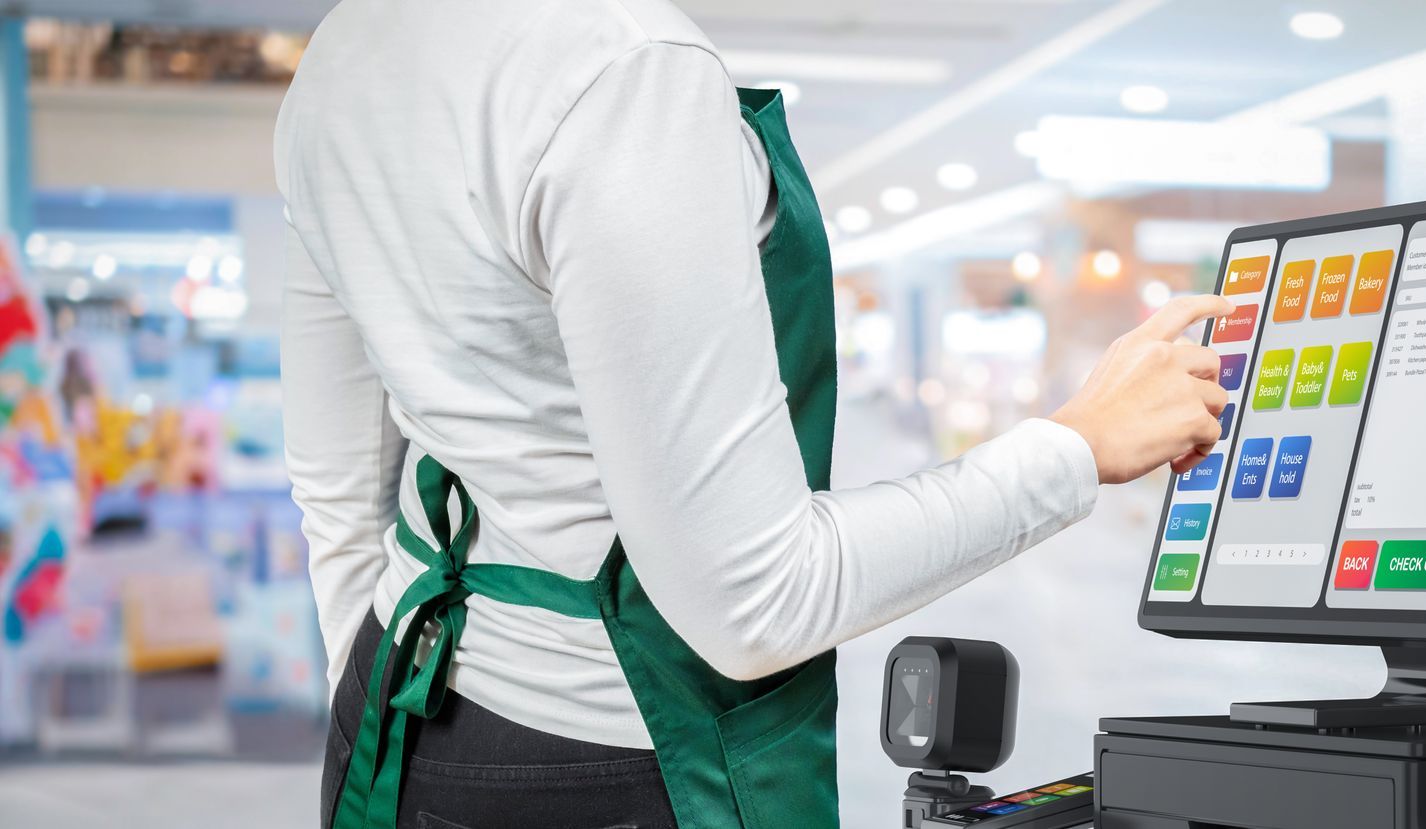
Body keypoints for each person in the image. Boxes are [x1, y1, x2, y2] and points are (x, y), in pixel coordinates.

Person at [276, 1, 1229, 827]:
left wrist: (372, 709)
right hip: (623, 759)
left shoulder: (345, 48)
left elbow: (337, 479)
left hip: (392, 715)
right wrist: (1074, 447)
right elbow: (756, 600)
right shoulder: (623, 71)